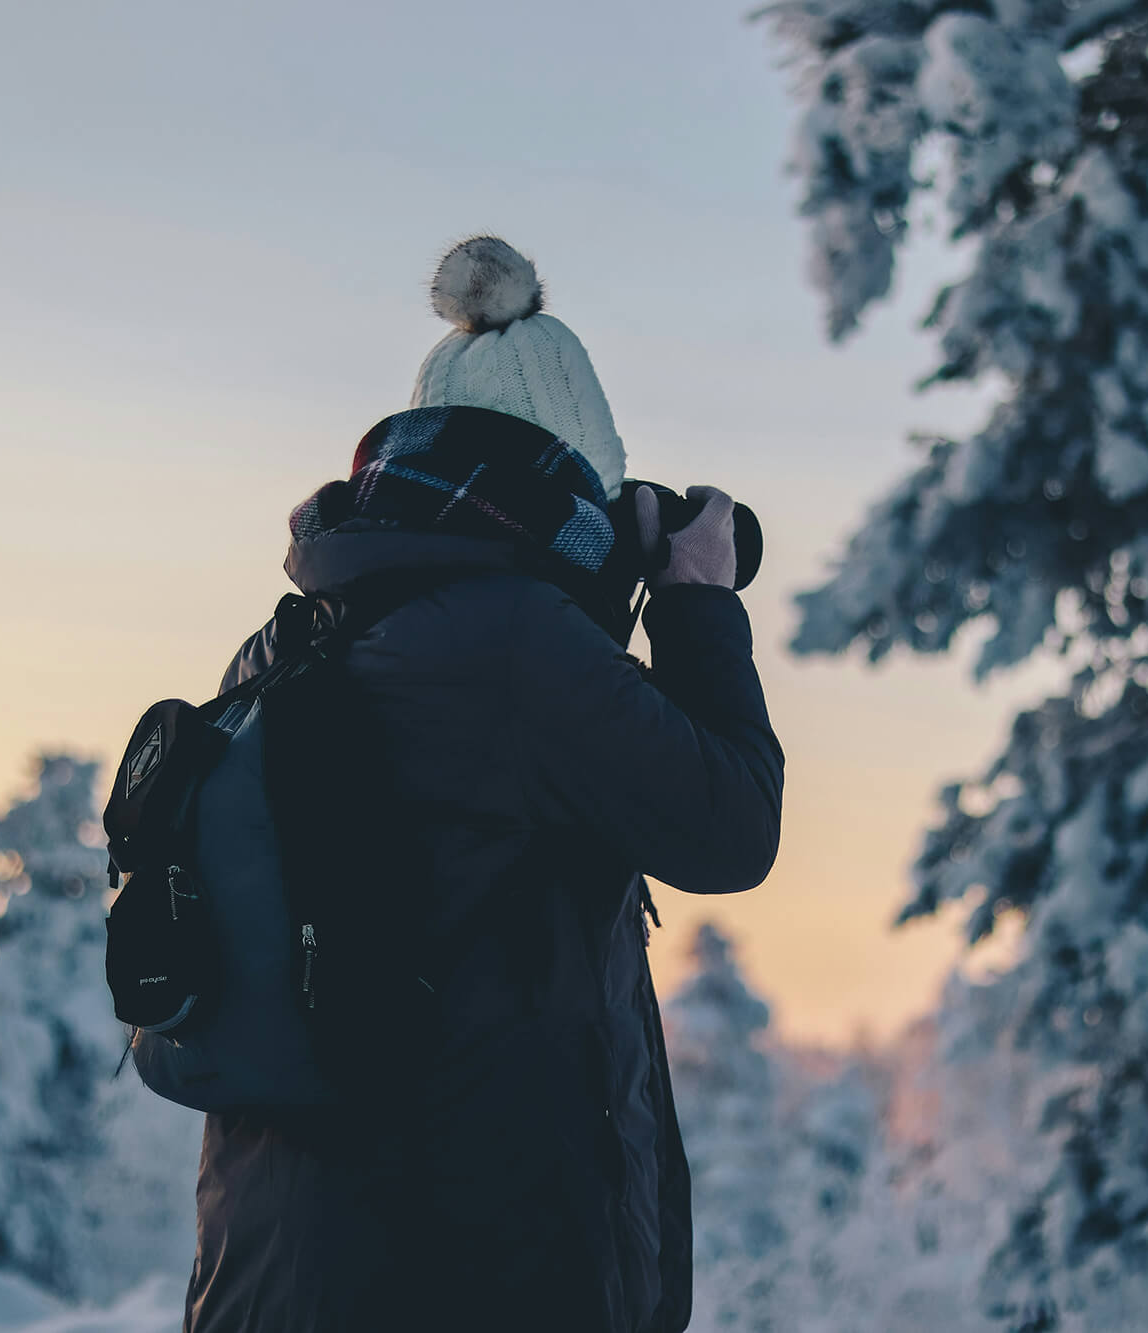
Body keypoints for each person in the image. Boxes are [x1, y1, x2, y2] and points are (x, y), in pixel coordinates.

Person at [183, 237, 785, 1333]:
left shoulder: (286, 642)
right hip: (471, 1274)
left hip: (275, 1275)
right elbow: (730, 827)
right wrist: (693, 597)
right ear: (570, 479)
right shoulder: (515, 650)